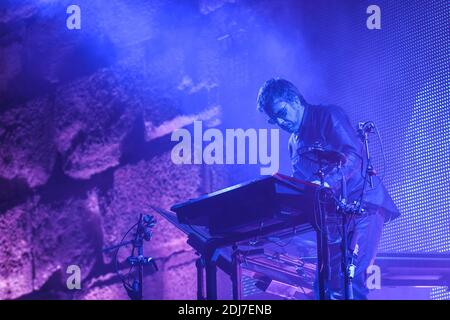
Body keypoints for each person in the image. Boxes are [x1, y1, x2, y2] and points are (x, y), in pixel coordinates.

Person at [256, 78, 400, 299]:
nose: (280, 122)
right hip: (335, 218)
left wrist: (324, 184)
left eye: (281, 112)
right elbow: (301, 184)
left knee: (351, 280)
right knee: (325, 287)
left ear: (294, 99)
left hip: (362, 206)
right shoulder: (293, 142)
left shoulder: (328, 116)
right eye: (274, 120)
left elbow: (353, 154)